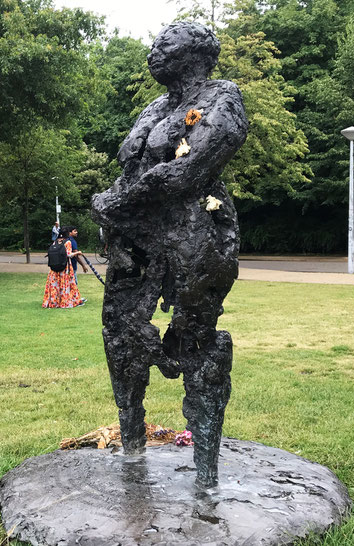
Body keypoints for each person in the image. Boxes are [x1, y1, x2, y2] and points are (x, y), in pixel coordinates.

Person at [90, 22, 248, 487]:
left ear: (196, 51)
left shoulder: (223, 98)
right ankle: (131, 447)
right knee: (120, 333)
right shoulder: (155, 107)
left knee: (196, 342)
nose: (153, 51)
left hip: (194, 238)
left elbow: (185, 172)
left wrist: (116, 202)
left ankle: (206, 473)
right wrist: (109, 201)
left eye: (165, 43)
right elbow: (135, 167)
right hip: (136, 246)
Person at [42, 227, 85, 308]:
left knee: (55, 285)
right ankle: (66, 301)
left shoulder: (55, 242)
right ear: (68, 233)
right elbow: (69, 254)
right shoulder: (67, 242)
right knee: (66, 284)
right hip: (65, 267)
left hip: (54, 268)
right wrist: (78, 253)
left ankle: (54, 302)